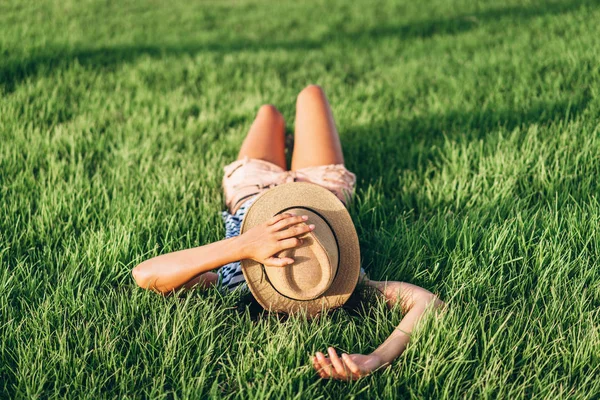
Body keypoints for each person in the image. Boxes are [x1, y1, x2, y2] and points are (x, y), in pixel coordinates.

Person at [132, 85, 445, 380]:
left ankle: (285, 136)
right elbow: (429, 304)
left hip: (251, 188)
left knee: (269, 113)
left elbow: (145, 275)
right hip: (320, 190)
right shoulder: (344, 285)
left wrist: (243, 246)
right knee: (311, 94)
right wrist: (377, 357)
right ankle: (296, 141)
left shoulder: (239, 286)